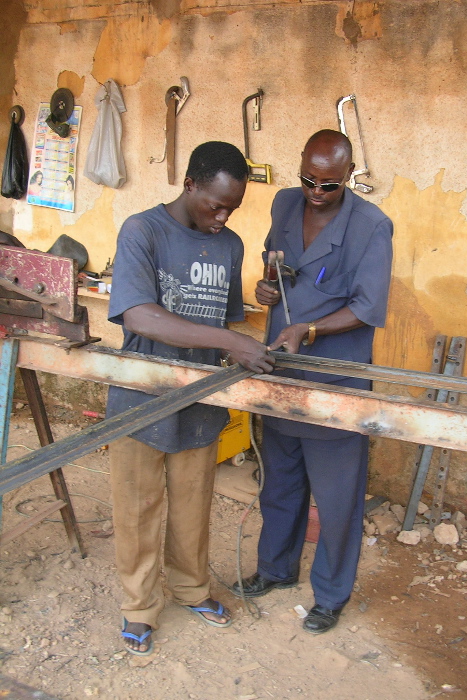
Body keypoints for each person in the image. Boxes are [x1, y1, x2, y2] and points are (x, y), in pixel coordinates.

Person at [106, 141, 275, 656]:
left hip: (201, 395)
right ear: (189, 185)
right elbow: (139, 315)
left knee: (192, 503)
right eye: (214, 205)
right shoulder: (143, 230)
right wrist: (232, 343)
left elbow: (220, 319)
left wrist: (258, 303)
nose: (222, 217)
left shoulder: (229, 245)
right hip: (142, 395)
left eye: (233, 208)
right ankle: (139, 607)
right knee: (137, 507)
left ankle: (191, 588)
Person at [233, 129, 393, 634]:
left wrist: (313, 328)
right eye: (308, 179)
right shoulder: (284, 205)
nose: (316, 191)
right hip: (280, 368)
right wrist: (266, 287)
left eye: (328, 184)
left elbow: (369, 307)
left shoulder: (371, 227)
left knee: (337, 495)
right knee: (280, 481)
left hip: (334, 380)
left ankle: (330, 593)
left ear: (348, 177)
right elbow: (274, 266)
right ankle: (275, 569)